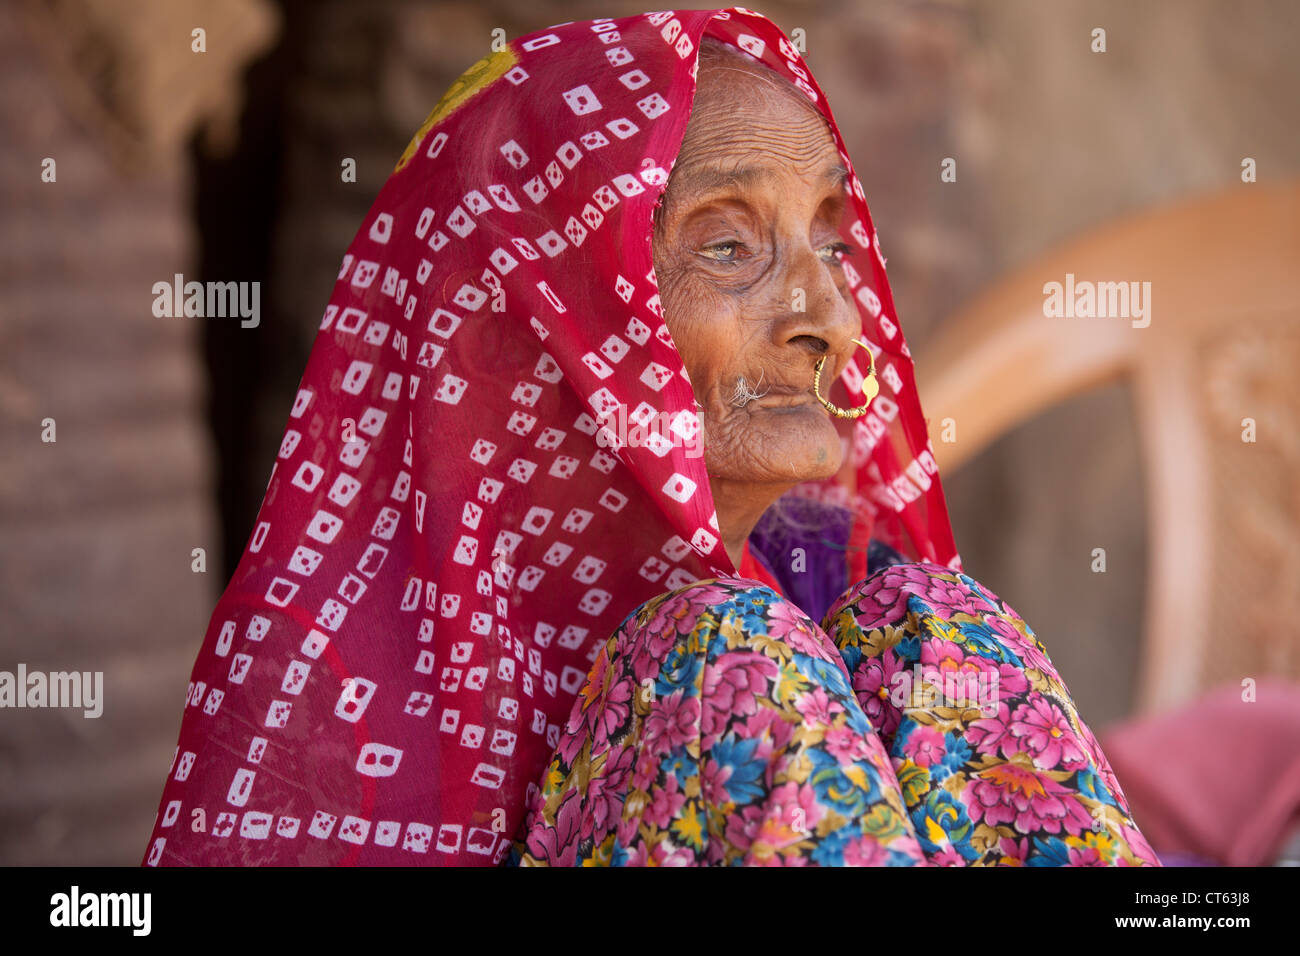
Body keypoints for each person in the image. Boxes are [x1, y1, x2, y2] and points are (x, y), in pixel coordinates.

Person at [142, 7, 1160, 867]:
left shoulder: (851, 597)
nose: (831, 316)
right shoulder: (339, 671)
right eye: (727, 244)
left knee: (932, 630)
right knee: (722, 650)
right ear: (544, 319)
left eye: (833, 242)